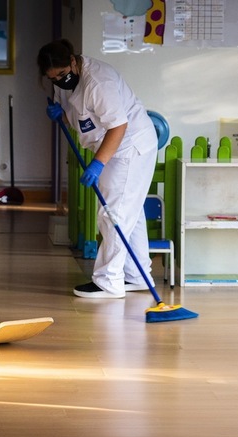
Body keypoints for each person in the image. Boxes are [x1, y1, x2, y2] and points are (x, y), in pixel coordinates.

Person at [38, 39, 158, 298]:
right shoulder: (64, 84)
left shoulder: (98, 82)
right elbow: (81, 117)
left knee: (113, 214)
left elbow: (118, 126)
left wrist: (98, 163)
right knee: (130, 213)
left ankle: (108, 281)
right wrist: (61, 114)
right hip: (113, 147)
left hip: (128, 147)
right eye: (53, 78)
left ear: (72, 60)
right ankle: (137, 276)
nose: (59, 80)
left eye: (61, 73)